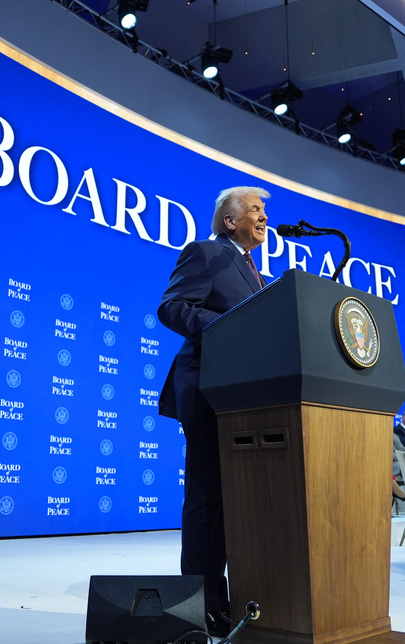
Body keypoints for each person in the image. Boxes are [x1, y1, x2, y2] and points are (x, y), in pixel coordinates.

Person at [157, 186, 270, 631]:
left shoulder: (256, 273)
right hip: (208, 389)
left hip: (244, 396)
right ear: (230, 220)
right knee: (208, 499)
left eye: (264, 210)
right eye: (256, 209)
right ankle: (198, 604)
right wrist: (231, 326)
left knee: (231, 500)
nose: (264, 217)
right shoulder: (205, 253)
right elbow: (173, 307)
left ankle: (226, 600)